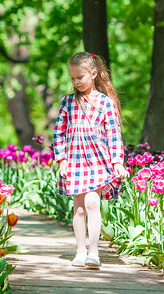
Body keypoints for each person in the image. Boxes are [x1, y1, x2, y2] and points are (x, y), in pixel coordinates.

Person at [52, 52, 130, 268]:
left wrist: (117, 162)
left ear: (93, 74)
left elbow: (114, 134)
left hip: (98, 160)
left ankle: (93, 252)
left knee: (93, 202)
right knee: (79, 208)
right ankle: (80, 251)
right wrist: (62, 159)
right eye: (72, 78)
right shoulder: (68, 102)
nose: (76, 82)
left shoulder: (105, 102)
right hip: (75, 160)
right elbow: (59, 132)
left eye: (80, 77)